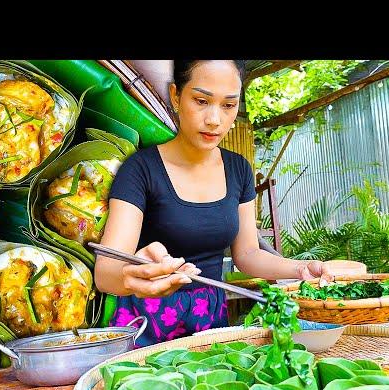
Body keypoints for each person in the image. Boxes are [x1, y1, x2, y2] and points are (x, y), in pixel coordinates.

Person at [94, 60, 339, 347]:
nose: (214, 119)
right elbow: (106, 271)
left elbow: (247, 253)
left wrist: (299, 269)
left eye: (228, 105)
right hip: (145, 325)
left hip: (210, 323)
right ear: (176, 96)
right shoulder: (140, 169)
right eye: (201, 101)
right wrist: (137, 275)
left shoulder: (238, 169)